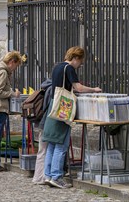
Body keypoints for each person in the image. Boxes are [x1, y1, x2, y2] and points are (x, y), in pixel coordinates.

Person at [42, 46, 102, 189]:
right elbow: (78, 88)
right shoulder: (69, 69)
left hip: (53, 104)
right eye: (80, 62)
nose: (80, 65)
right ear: (76, 58)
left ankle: (48, 175)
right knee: (61, 143)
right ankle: (56, 176)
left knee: (51, 142)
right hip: (63, 107)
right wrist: (94, 89)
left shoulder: (57, 67)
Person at [0, 51, 22, 172]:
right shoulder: (2, 72)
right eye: (16, 66)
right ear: (12, 62)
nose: (15, 69)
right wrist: (12, 93)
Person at [32, 78, 52, 184]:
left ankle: (38, 177)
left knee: (42, 150)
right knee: (45, 149)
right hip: (46, 122)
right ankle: (42, 177)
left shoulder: (45, 87)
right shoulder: (52, 88)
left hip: (41, 122)